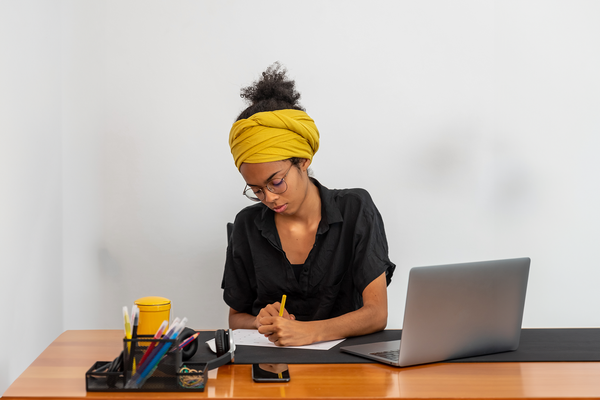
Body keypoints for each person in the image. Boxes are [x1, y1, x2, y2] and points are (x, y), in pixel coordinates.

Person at [222, 63, 396, 346]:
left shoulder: (355, 209)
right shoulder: (247, 225)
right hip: (272, 372)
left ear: (303, 160)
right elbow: (236, 318)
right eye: (255, 190)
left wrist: (307, 332)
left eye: (275, 182)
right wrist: (261, 321)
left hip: (347, 372)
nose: (269, 198)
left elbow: (376, 314)